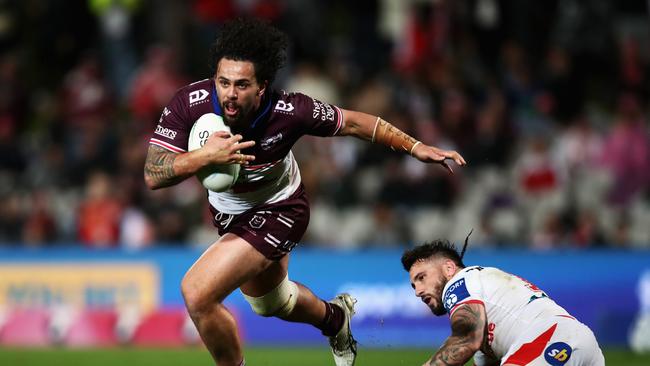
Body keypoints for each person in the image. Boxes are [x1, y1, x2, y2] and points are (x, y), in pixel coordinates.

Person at [144, 18, 465, 366]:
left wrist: (414, 146)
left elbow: (355, 123)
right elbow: (153, 174)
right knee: (271, 303)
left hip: (281, 209)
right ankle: (336, 319)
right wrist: (204, 157)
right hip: (230, 214)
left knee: (197, 294)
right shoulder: (189, 104)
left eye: (241, 84)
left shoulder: (291, 110)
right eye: (223, 82)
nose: (230, 94)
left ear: (262, 86)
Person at [401, 239, 605, 366]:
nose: (418, 291)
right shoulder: (490, 318)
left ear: (448, 268)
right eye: (413, 285)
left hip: (549, 339)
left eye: (422, 277)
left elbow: (465, 340)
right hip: (580, 344)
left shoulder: (459, 283)